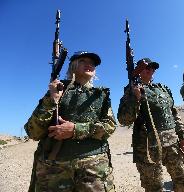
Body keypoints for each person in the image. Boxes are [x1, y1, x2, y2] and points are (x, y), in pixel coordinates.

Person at [24, 51, 116, 192]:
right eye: (83, 61)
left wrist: (75, 130)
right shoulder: (57, 89)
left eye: (92, 63)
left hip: (94, 168)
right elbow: (33, 132)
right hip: (54, 170)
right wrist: (51, 100)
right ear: (73, 65)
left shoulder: (101, 95)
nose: (89, 64)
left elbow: (109, 126)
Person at [117, 58, 184, 192]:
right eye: (146, 67)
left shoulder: (163, 88)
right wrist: (135, 98)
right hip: (147, 146)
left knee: (181, 179)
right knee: (154, 187)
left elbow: (174, 114)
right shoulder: (131, 90)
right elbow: (124, 120)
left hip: (172, 142)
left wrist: (182, 137)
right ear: (137, 70)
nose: (151, 69)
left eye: (153, 67)